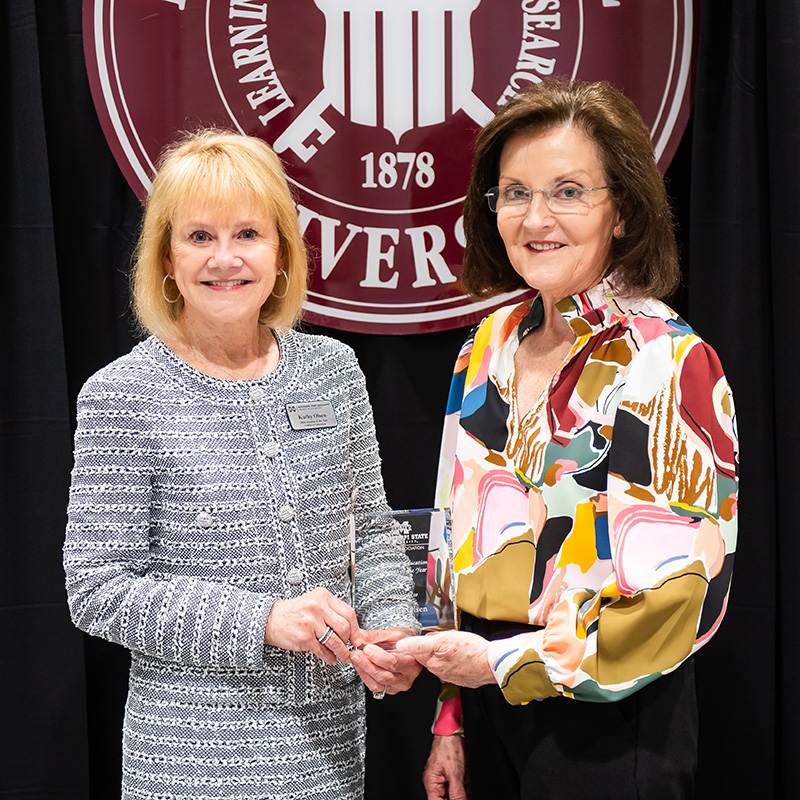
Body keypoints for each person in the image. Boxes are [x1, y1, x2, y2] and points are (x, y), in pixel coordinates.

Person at [397, 78, 739, 799]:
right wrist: (450, 717)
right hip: (484, 696)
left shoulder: (667, 359)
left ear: (622, 211)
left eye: (568, 191)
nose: (535, 216)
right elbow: (450, 551)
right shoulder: (483, 349)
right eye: (514, 192)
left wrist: (503, 665)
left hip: (606, 722)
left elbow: (674, 605)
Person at [63, 129, 422, 800]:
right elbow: (97, 588)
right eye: (199, 236)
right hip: (189, 764)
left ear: (281, 251)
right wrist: (262, 620)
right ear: (166, 258)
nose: (224, 259)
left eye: (248, 234)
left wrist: (392, 628)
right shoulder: (121, 395)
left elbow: (371, 532)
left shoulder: (333, 372)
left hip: (327, 754)